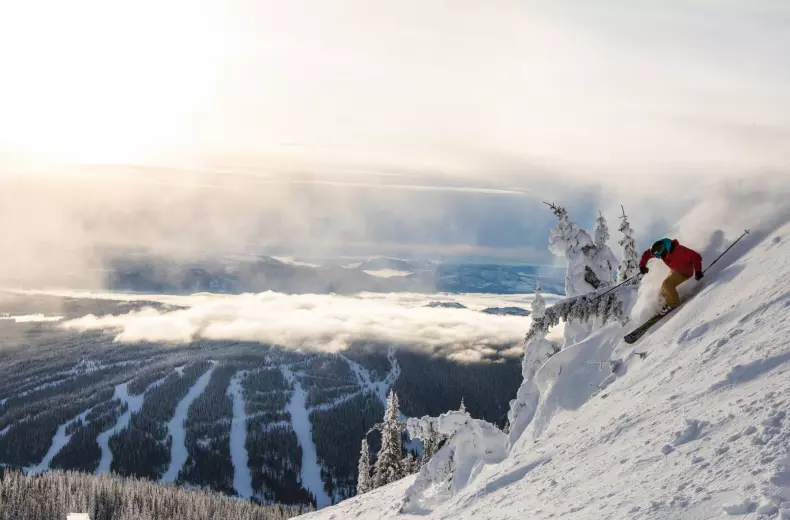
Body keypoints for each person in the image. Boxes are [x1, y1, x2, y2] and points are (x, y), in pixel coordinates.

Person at [639, 238, 703, 313]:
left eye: (659, 255)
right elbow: (647, 254)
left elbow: (696, 256)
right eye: (657, 256)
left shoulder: (679, 250)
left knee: (667, 284)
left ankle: (673, 303)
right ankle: (663, 302)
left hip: (685, 273)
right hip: (675, 270)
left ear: (664, 250)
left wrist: (698, 271)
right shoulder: (661, 250)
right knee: (663, 289)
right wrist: (642, 265)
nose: (659, 257)